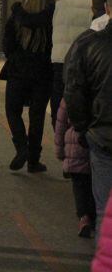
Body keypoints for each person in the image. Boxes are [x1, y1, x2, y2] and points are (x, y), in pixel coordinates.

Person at [65, 0, 112, 236]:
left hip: (102, 137)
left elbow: (74, 91)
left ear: (107, 9)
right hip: (100, 135)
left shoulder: (89, 45)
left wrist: (83, 128)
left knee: (105, 211)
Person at [1, 0, 55, 172]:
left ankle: (21, 147)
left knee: (13, 110)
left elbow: (7, 43)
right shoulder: (52, 15)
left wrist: (14, 57)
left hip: (18, 70)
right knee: (37, 115)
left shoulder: (18, 14)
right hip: (43, 71)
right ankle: (33, 159)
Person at [50, 0, 95, 130]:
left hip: (59, 59)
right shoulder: (94, 8)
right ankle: (75, 133)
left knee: (58, 96)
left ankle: (58, 130)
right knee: (79, 99)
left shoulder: (59, 5)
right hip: (83, 62)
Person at [55, 98, 96, 238]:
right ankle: (94, 217)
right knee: (94, 185)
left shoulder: (71, 93)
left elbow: (60, 124)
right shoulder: (102, 88)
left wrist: (60, 151)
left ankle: (83, 217)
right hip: (96, 144)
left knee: (79, 186)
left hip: (75, 147)